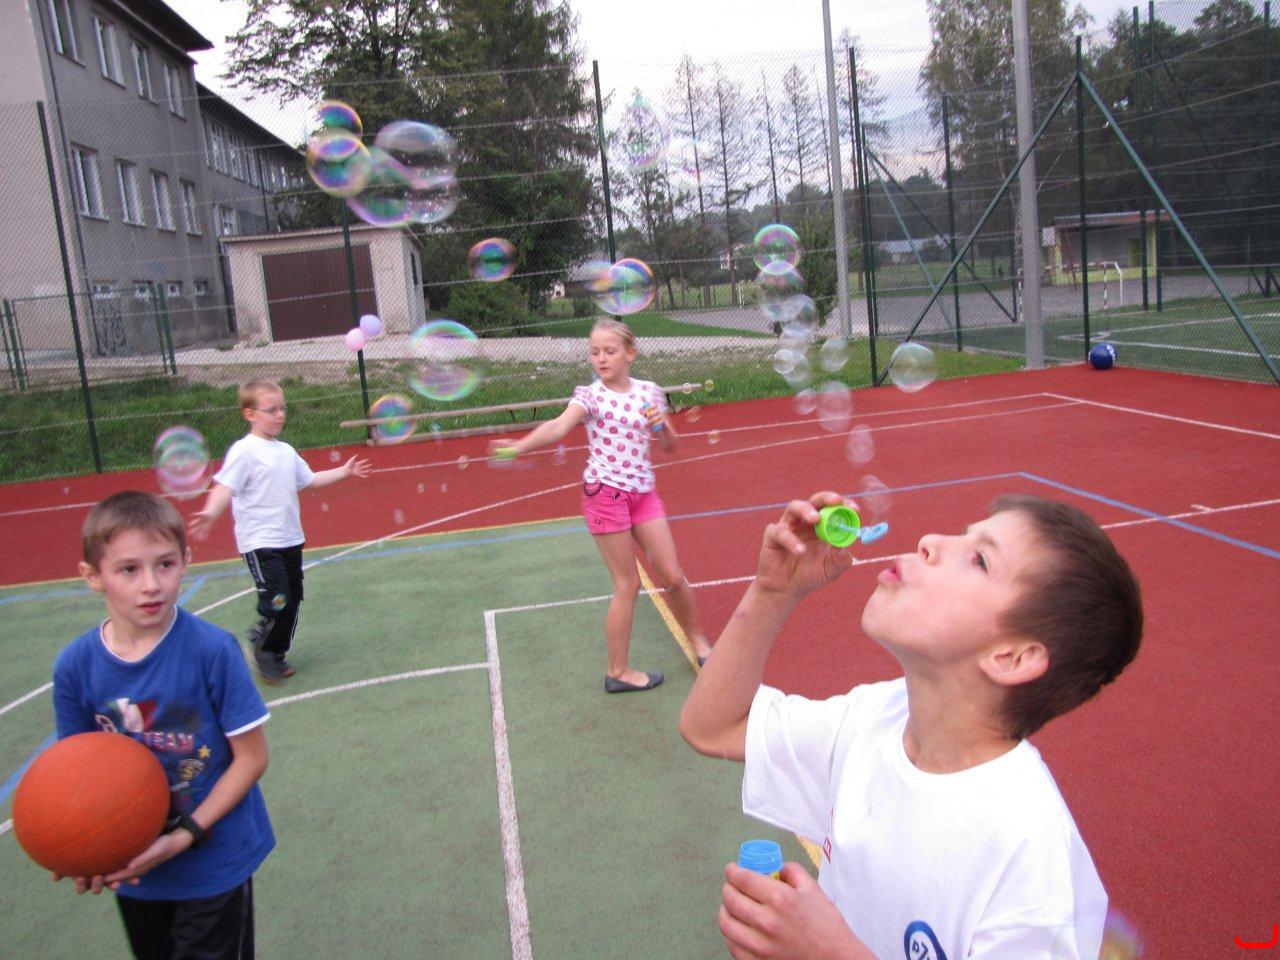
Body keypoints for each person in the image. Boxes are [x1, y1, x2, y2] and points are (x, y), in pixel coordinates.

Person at [680, 491, 1143, 959]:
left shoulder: (1027, 849)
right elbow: (712, 726)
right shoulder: (873, 718)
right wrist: (772, 591)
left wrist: (830, 953)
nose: (929, 541)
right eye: (962, 536)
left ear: (1012, 657)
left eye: (979, 559)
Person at [52, 491, 275, 959]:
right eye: (129, 569)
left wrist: (185, 834)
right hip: (135, 866)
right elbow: (78, 778)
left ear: (186, 562)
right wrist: (77, 849)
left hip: (213, 860)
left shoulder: (211, 651)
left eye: (165, 564)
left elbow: (252, 758)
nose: (151, 584)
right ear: (93, 576)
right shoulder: (75, 667)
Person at [490, 318, 713, 692]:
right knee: (627, 583)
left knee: (673, 576)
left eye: (609, 351)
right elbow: (559, 426)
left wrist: (661, 426)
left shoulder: (649, 392)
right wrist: (518, 446)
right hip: (606, 495)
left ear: (630, 354)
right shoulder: (590, 396)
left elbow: (670, 446)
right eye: (594, 352)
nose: (601, 359)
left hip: (643, 494)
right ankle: (617, 671)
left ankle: (700, 643)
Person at [188, 378, 370, 683]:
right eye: (271, 410)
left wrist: (343, 471)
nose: (280, 414)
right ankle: (263, 645)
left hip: (290, 540)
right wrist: (209, 512)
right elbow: (224, 487)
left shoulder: (285, 451)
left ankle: (276, 652)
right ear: (250, 414)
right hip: (260, 543)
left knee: (293, 598)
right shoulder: (244, 451)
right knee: (278, 596)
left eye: (283, 408)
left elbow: (309, 480)